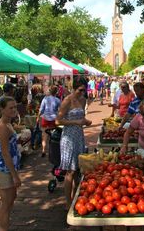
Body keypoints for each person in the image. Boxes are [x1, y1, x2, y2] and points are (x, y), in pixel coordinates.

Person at [55, 80, 92, 209]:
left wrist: (86, 121)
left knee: (78, 169)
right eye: (80, 90)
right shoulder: (67, 101)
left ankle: (76, 197)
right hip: (68, 138)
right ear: (74, 88)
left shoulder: (82, 100)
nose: (82, 92)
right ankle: (68, 201)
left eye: (84, 90)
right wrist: (76, 122)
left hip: (79, 137)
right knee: (70, 171)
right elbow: (57, 121)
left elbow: (82, 118)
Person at [0, 96, 21, 231]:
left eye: (15, 107)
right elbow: (5, 153)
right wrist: (14, 175)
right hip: (4, 168)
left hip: (9, 167)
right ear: (2, 109)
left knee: (11, 198)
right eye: (10, 108)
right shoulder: (2, 126)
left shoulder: (8, 123)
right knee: (6, 203)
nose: (14, 110)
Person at [37, 85, 61, 157]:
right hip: (54, 119)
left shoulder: (45, 99)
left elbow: (41, 110)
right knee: (53, 135)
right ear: (56, 92)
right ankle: (52, 150)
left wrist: (38, 117)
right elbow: (60, 111)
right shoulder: (57, 100)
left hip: (45, 118)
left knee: (44, 134)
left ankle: (43, 150)